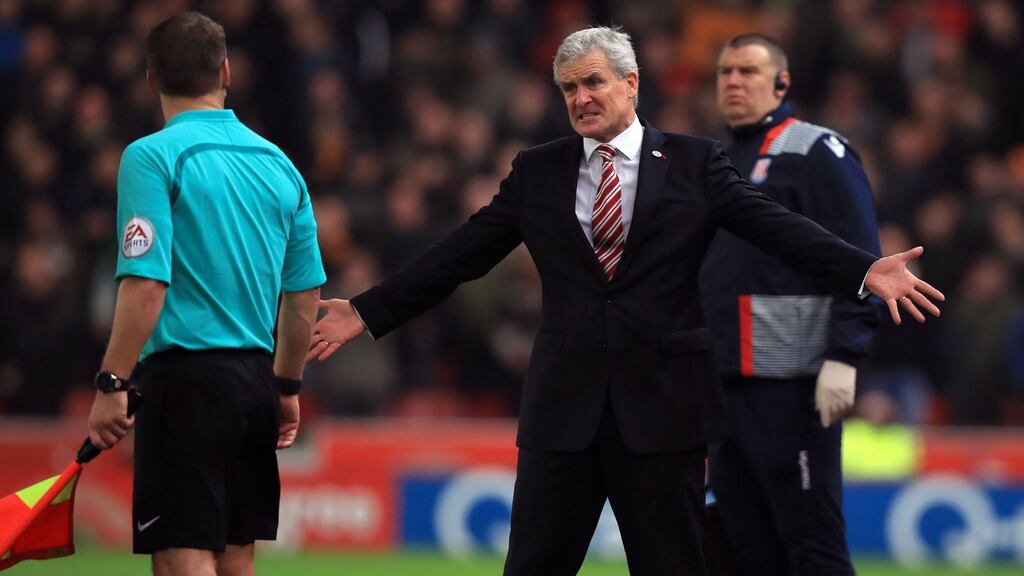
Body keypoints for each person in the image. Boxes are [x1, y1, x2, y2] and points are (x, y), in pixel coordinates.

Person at [310, 26, 942, 576]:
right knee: (531, 568)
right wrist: (367, 310)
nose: (580, 99)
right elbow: (460, 254)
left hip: (664, 413)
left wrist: (864, 271)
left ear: (631, 83)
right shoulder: (539, 170)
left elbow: (774, 226)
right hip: (563, 414)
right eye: (568, 89)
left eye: (593, 83)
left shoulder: (696, 164)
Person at [86, 12, 325, 576]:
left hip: (186, 383)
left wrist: (112, 382)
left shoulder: (151, 156)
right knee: (236, 560)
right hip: (254, 383)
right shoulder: (281, 165)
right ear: (226, 71)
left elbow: (146, 285)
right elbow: (304, 295)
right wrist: (286, 386)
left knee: (182, 560)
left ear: (150, 80)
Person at [699, 34, 880, 576]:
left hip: (793, 381)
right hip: (724, 381)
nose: (733, 81)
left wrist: (845, 355)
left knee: (811, 545)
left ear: (782, 83)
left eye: (748, 71)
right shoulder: (718, 159)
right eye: (725, 71)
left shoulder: (816, 150)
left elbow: (862, 258)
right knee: (743, 545)